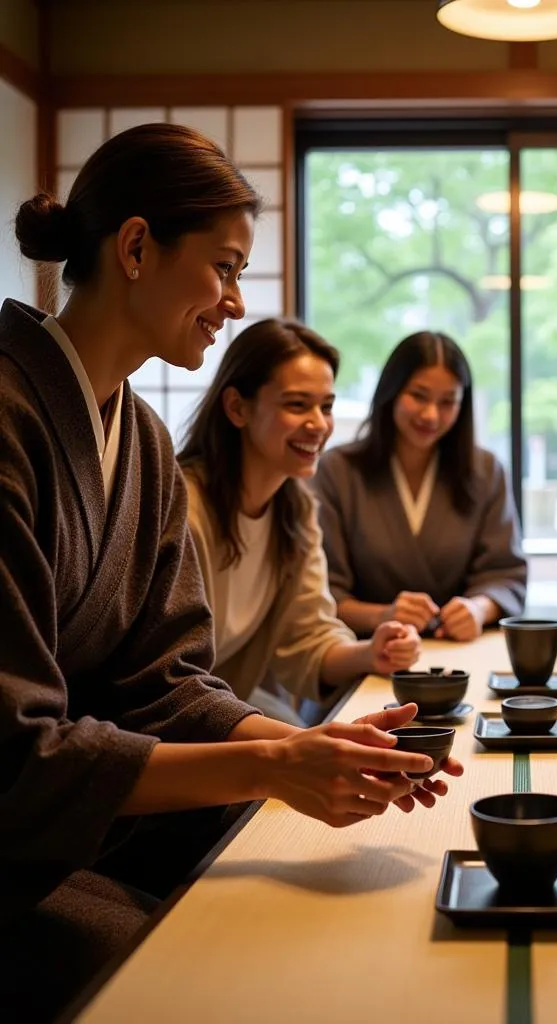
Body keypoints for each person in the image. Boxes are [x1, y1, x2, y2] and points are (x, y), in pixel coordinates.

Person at [0, 124, 460, 1021]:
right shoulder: (10, 418)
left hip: (87, 809)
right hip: (20, 836)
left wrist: (309, 752)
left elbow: (165, 677)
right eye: (224, 268)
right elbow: (15, 755)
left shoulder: (137, 438)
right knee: (192, 960)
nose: (235, 301)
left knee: (308, 876)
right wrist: (274, 760)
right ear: (136, 247)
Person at [178, 318, 422, 726]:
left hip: (224, 705)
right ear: (237, 407)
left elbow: (306, 638)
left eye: (326, 406)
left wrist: (372, 651)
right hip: (168, 718)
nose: (319, 424)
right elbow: (168, 674)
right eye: (296, 405)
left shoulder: (295, 510)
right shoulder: (183, 508)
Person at [314, 330, 527, 641]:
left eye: (447, 402)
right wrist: (384, 615)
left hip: (459, 652)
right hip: (363, 655)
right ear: (391, 391)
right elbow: (322, 594)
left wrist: (478, 610)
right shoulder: (338, 470)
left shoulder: (485, 471)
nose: (431, 415)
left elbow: (505, 575)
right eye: (418, 396)